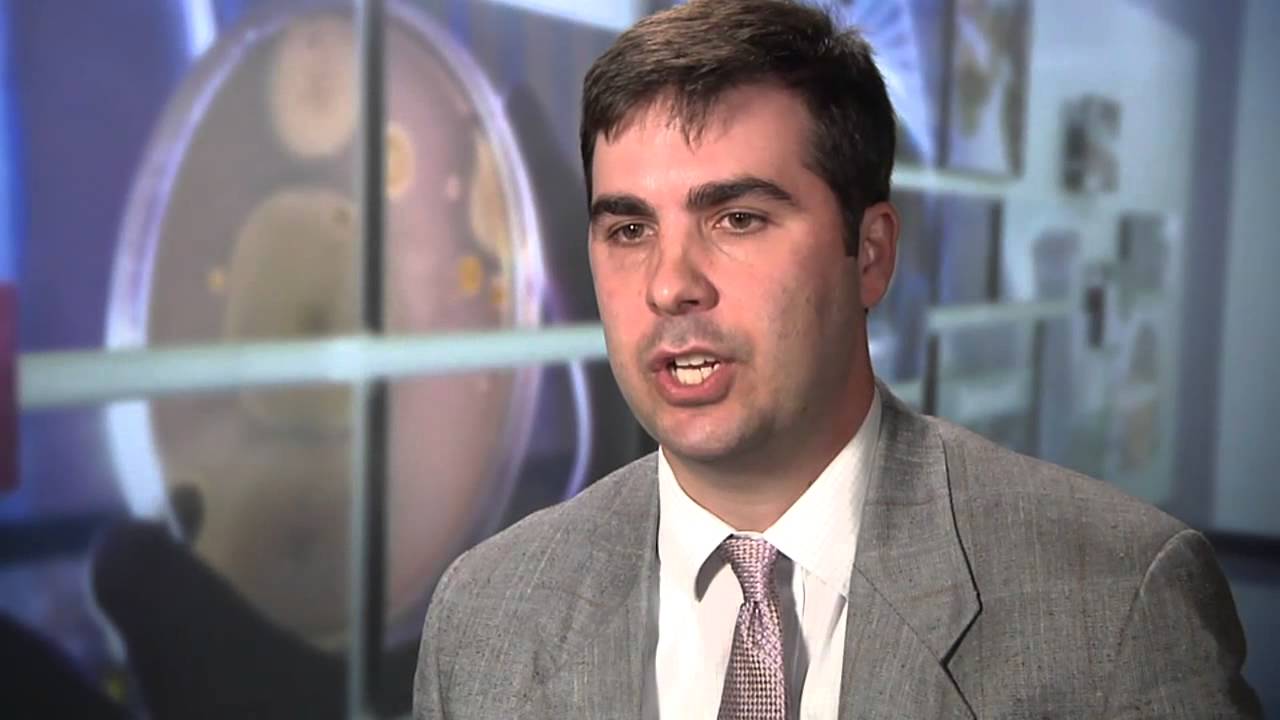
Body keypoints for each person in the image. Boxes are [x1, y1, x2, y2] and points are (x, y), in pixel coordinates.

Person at [413, 1, 1260, 717]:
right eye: (630, 229)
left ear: (872, 253)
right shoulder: (484, 615)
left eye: (737, 219)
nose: (670, 286)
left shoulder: (1118, 605)